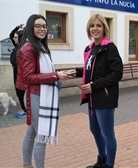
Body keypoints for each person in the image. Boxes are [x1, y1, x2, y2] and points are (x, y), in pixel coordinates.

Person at [67, 14, 123, 168]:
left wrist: (94, 85)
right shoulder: (90, 48)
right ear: (89, 29)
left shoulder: (109, 48)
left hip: (104, 97)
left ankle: (109, 164)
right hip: (92, 97)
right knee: (95, 129)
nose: (95, 29)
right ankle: (102, 159)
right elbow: (90, 69)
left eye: (99, 25)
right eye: (92, 26)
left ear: (104, 28)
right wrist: (76, 72)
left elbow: (117, 73)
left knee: (107, 134)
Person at [16, 14, 70, 168]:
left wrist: (57, 73)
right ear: (30, 28)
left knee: (31, 133)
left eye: (44, 26)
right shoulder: (28, 48)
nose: (42, 29)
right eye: (38, 26)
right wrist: (55, 76)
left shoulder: (39, 46)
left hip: (39, 94)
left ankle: (27, 165)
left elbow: (40, 71)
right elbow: (28, 77)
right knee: (42, 136)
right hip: (36, 96)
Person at [9, 23, 27, 118]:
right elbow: (11, 35)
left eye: (16, 37)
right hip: (15, 70)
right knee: (17, 91)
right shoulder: (16, 46)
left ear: (21, 38)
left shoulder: (23, 47)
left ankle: (25, 109)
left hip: (21, 71)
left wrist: (25, 29)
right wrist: (17, 27)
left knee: (21, 90)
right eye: (14, 37)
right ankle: (23, 108)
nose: (14, 39)